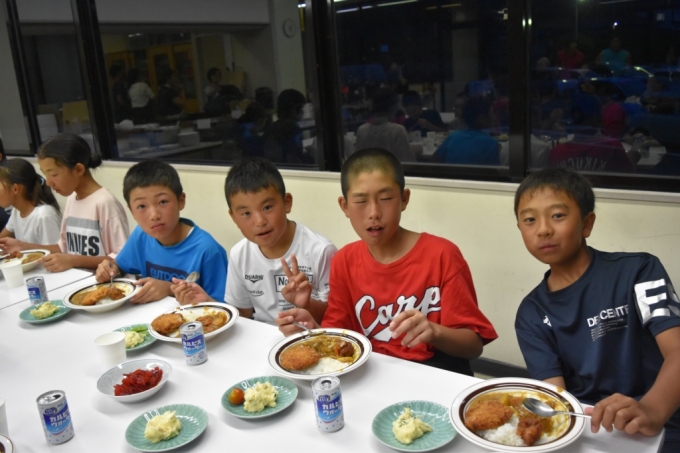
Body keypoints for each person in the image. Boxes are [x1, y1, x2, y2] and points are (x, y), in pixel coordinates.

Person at [275, 148, 498, 374]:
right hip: (372, 370)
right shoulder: (344, 260)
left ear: (404, 199)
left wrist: (435, 331)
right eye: (361, 201)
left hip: (434, 370)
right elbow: (340, 338)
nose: (374, 213)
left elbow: (473, 347)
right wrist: (312, 328)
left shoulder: (442, 255)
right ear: (345, 206)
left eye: (385, 199)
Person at [513, 168, 680, 453]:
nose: (543, 229)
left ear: (587, 224)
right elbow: (556, 400)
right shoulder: (531, 313)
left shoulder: (638, 271)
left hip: (662, 422)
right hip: (589, 429)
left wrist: (652, 410)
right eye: (530, 220)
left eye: (557, 215)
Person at [171, 158, 337, 325]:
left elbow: (334, 318)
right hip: (262, 336)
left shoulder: (321, 250)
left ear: (287, 203)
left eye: (267, 208)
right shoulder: (239, 254)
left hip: (310, 335)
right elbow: (242, 314)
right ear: (233, 217)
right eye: (246, 213)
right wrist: (207, 302)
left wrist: (307, 305)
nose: (259, 221)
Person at [95, 160, 227, 304]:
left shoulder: (208, 250)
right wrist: (110, 269)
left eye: (163, 202)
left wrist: (169, 289)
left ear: (181, 201)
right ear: (131, 211)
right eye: (141, 206)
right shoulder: (142, 235)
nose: (154, 215)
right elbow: (120, 265)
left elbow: (224, 308)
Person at [0, 133, 129, 271]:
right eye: (45, 174)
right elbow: (63, 248)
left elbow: (123, 258)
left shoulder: (104, 203)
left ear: (78, 169)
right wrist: (24, 246)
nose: (48, 182)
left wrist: (74, 261)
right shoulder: (72, 199)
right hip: (76, 279)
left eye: (54, 174)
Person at [0, 159, 61, 245]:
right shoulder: (16, 211)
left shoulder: (44, 215)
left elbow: (57, 250)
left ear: (15, 189)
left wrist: (22, 247)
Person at [434, 96, 500, 165]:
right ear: (481, 119)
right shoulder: (491, 144)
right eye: (492, 113)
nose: (494, 117)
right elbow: (493, 170)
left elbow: (435, 159)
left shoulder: (453, 136)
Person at [354, 88, 415, 162]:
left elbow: (357, 161)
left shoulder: (361, 130)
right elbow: (408, 162)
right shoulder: (397, 130)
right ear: (393, 108)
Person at [264, 89, 309, 164]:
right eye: (301, 109)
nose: (302, 112)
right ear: (294, 110)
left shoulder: (272, 127)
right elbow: (294, 157)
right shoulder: (293, 128)